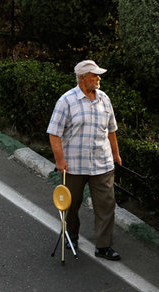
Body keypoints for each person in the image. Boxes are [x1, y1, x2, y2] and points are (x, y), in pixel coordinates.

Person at [46, 60, 123, 261]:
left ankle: (104, 246)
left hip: (102, 164)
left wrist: (115, 154)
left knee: (106, 205)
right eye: (94, 75)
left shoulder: (104, 99)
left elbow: (112, 130)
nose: (98, 78)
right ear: (82, 78)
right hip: (74, 165)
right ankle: (70, 236)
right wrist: (59, 160)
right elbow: (54, 134)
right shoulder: (66, 101)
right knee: (71, 204)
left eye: (98, 75)